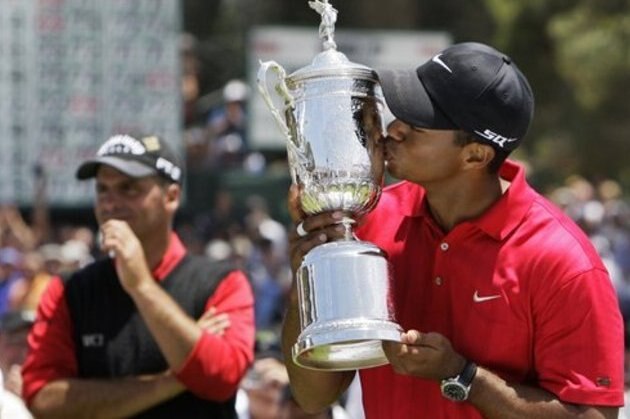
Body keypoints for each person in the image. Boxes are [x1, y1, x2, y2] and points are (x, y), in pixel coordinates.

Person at [282, 42, 624, 418]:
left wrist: (463, 376)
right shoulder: (371, 219)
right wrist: (307, 288)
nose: (392, 131)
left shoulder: (562, 262)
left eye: (417, 125)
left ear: (475, 155)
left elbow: (595, 416)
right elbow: (314, 396)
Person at [22, 134, 256, 418]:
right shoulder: (69, 290)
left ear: (171, 197)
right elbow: (42, 400)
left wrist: (142, 287)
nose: (110, 203)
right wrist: (170, 381)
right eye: (102, 189)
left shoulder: (222, 282)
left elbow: (222, 378)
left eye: (129, 188)